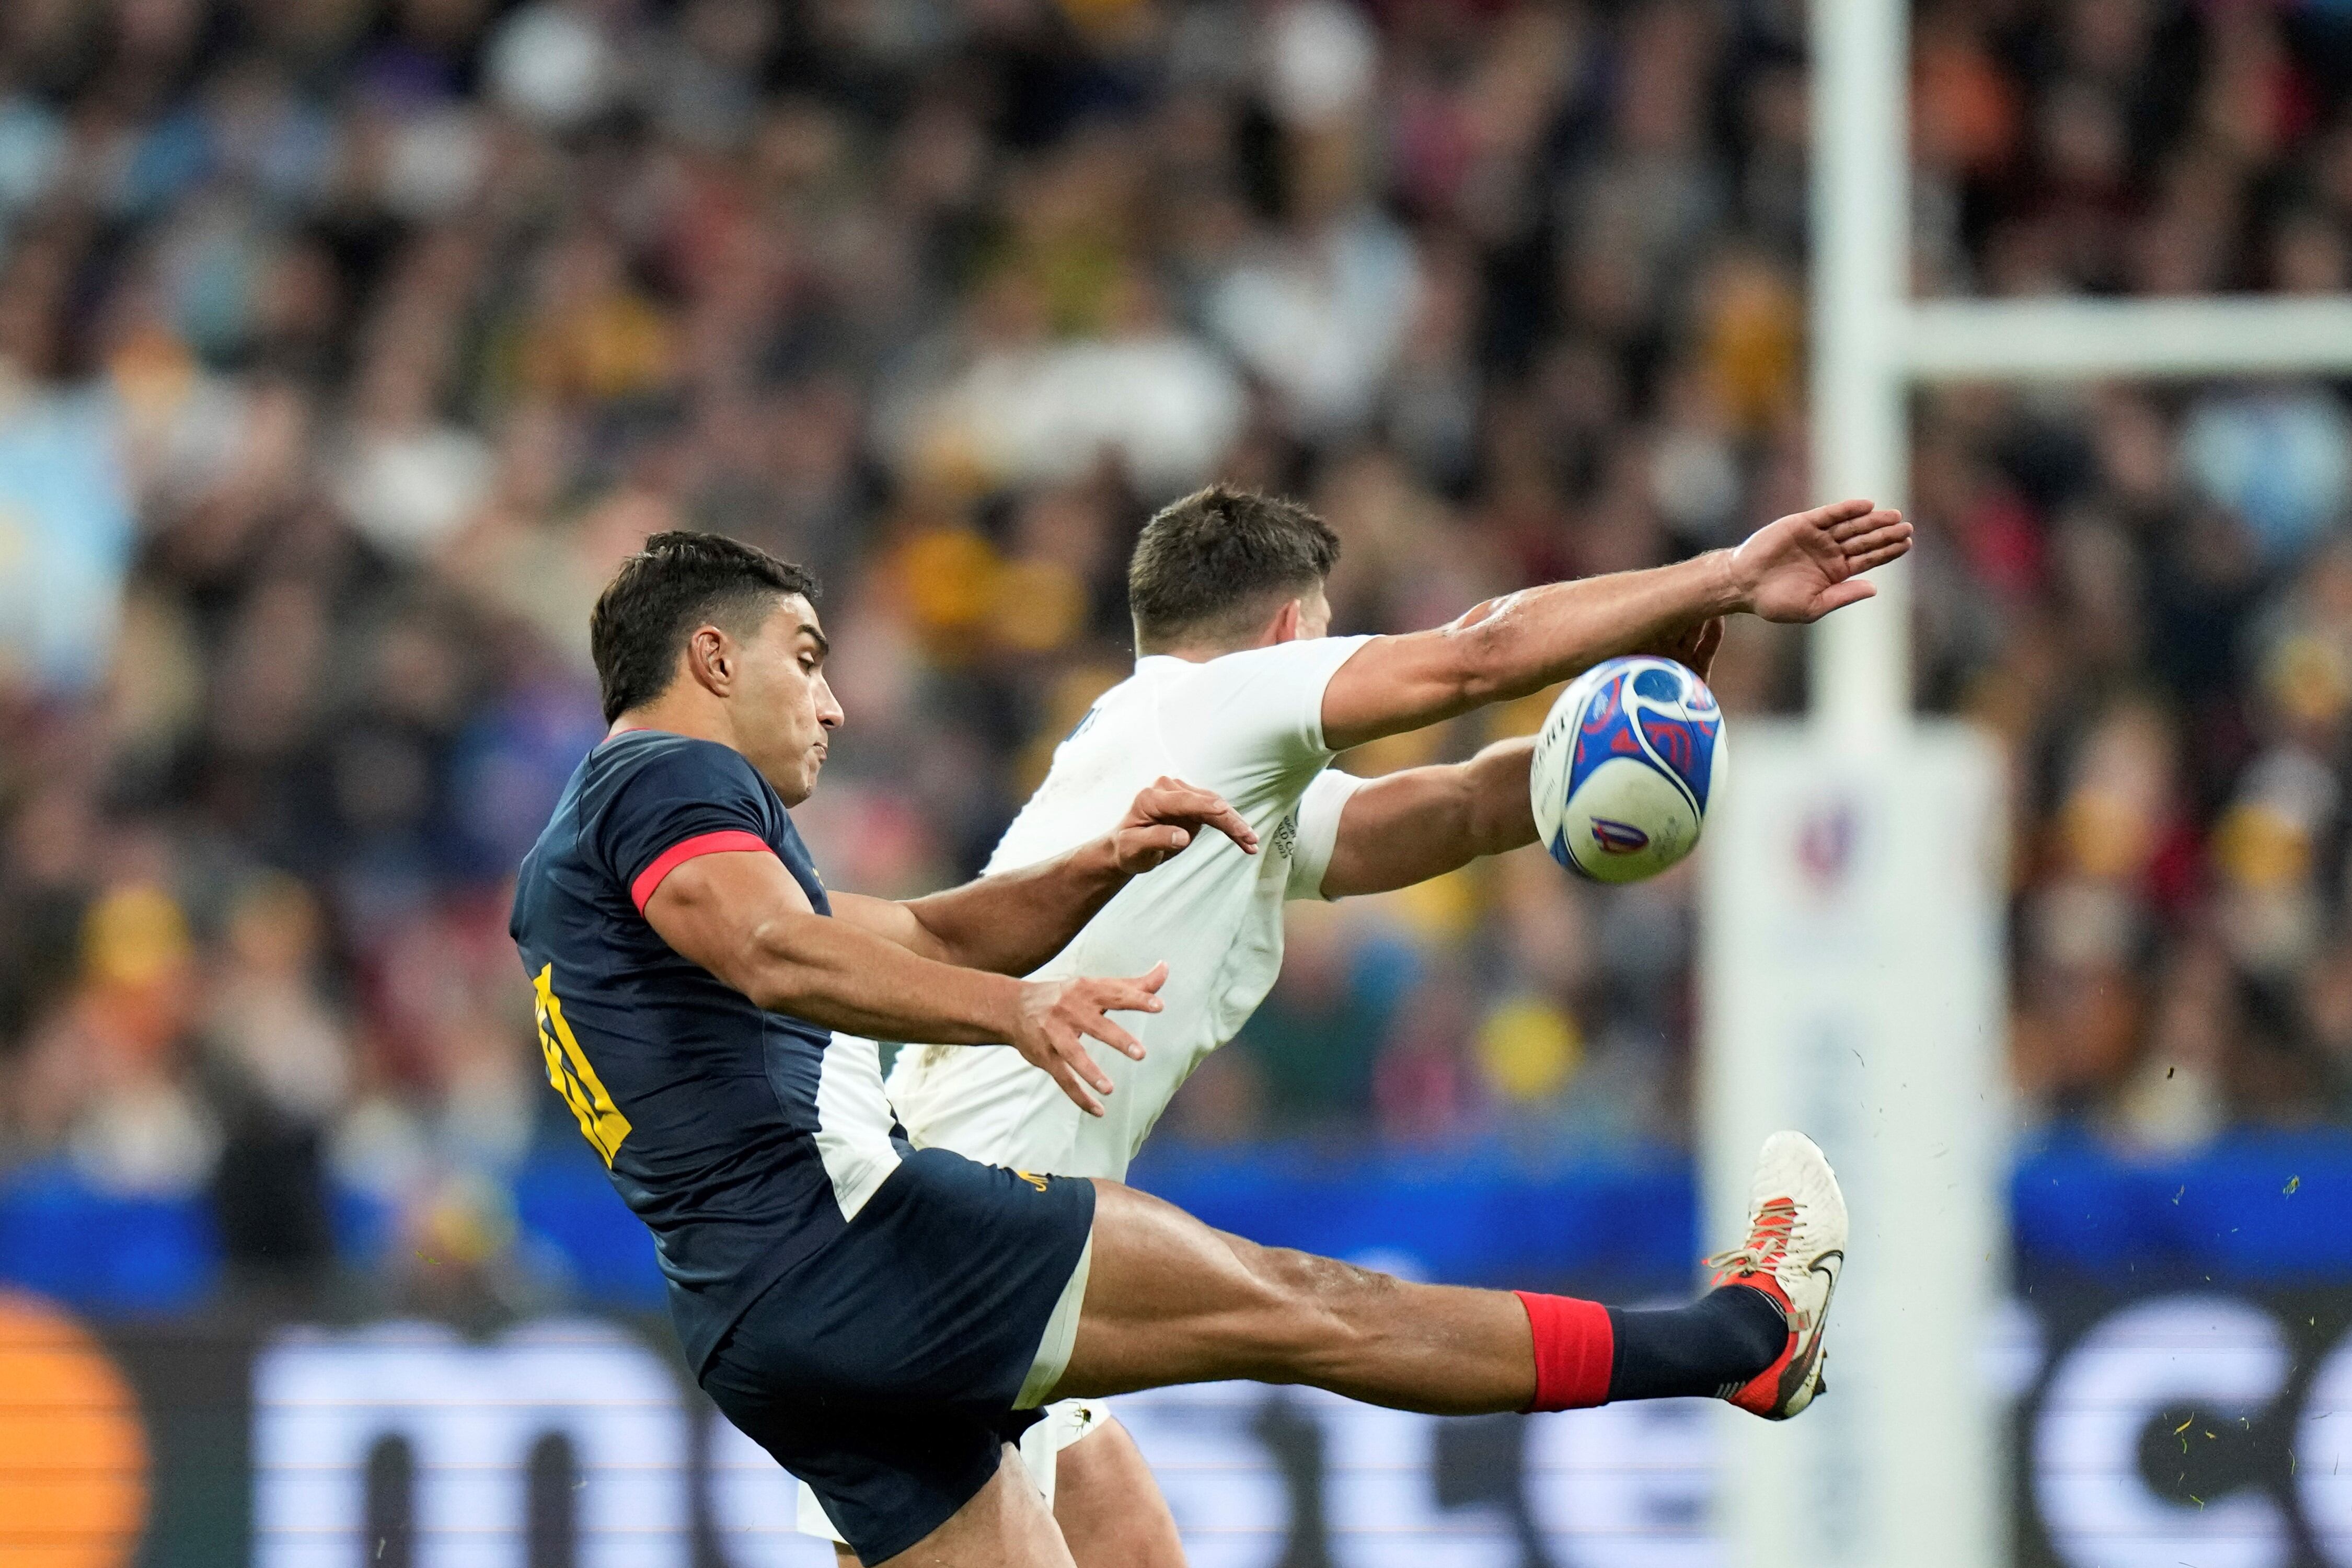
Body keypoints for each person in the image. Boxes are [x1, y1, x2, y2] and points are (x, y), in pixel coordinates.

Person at [511, 517, 1899, 1568]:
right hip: (893, 1240)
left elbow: (927, 936)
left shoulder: (602, 854)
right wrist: (1714, 578)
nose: (832, 701)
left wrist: (1092, 877)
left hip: (770, 1324)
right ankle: (1736, 1337)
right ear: (1293, 627)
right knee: (1311, 1311)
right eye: (805, 661)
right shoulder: (675, 775)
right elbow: (780, 954)